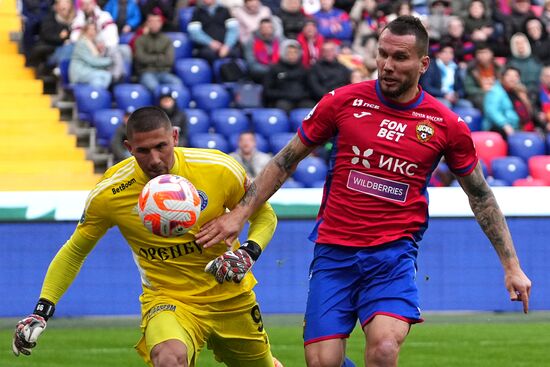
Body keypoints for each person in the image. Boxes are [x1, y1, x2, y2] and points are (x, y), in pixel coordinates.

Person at [195, 16, 532, 367]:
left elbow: (480, 195)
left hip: (392, 256)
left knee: (384, 349)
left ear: (423, 64)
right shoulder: (342, 102)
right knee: (322, 362)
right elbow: (285, 160)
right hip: (334, 253)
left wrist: (512, 265)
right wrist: (239, 215)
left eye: (399, 58)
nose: (387, 65)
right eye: (382, 54)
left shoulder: (445, 125)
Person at [12, 106, 283, 367]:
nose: (154, 159)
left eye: (161, 147)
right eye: (143, 150)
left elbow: (264, 215)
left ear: (174, 137)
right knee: (168, 358)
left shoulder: (219, 168)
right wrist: (41, 310)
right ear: (129, 148)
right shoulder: (110, 193)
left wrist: (248, 252)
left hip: (230, 297)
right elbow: (75, 251)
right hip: (169, 299)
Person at [134, 10, 184, 93]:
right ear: (147, 23)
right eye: (151, 21)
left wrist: (149, 58)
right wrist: (160, 57)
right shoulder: (140, 40)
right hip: (147, 72)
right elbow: (140, 59)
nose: (154, 24)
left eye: (157, 21)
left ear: (161, 23)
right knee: (154, 87)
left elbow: (169, 60)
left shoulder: (167, 40)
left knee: (177, 83)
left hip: (164, 72)